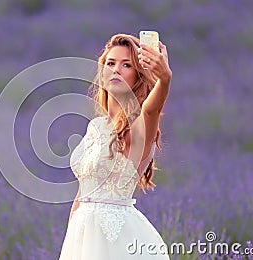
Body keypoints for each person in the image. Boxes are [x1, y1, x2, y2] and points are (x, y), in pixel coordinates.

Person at [59, 33, 172, 259]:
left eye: (126, 65)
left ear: (138, 77)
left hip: (119, 241)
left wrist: (164, 79)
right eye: (110, 63)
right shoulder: (96, 126)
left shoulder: (138, 127)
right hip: (82, 240)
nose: (116, 69)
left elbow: (151, 110)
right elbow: (82, 193)